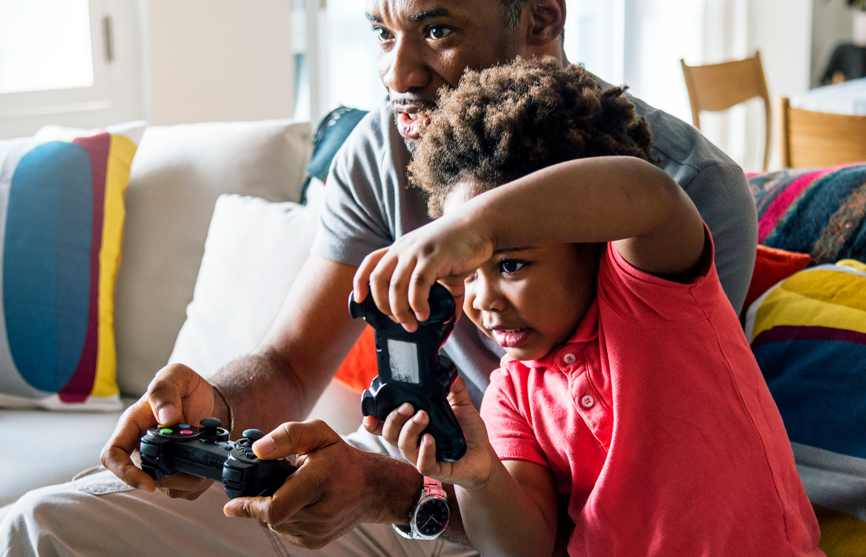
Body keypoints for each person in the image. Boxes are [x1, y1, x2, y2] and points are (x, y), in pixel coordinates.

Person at [0, 1, 758, 555]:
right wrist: (217, 406)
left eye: (436, 29)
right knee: (43, 525)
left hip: (536, 510)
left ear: (540, 19)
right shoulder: (389, 145)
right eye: (380, 32)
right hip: (455, 469)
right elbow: (293, 364)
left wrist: (392, 490)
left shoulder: (689, 190)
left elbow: (624, 485)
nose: (397, 74)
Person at [355, 56, 822, 556]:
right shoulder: (510, 393)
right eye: (467, 275)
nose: (482, 298)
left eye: (510, 265)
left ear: (593, 240)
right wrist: (478, 475)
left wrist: (474, 229)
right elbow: (522, 547)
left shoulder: (654, 298)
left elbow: (648, 193)